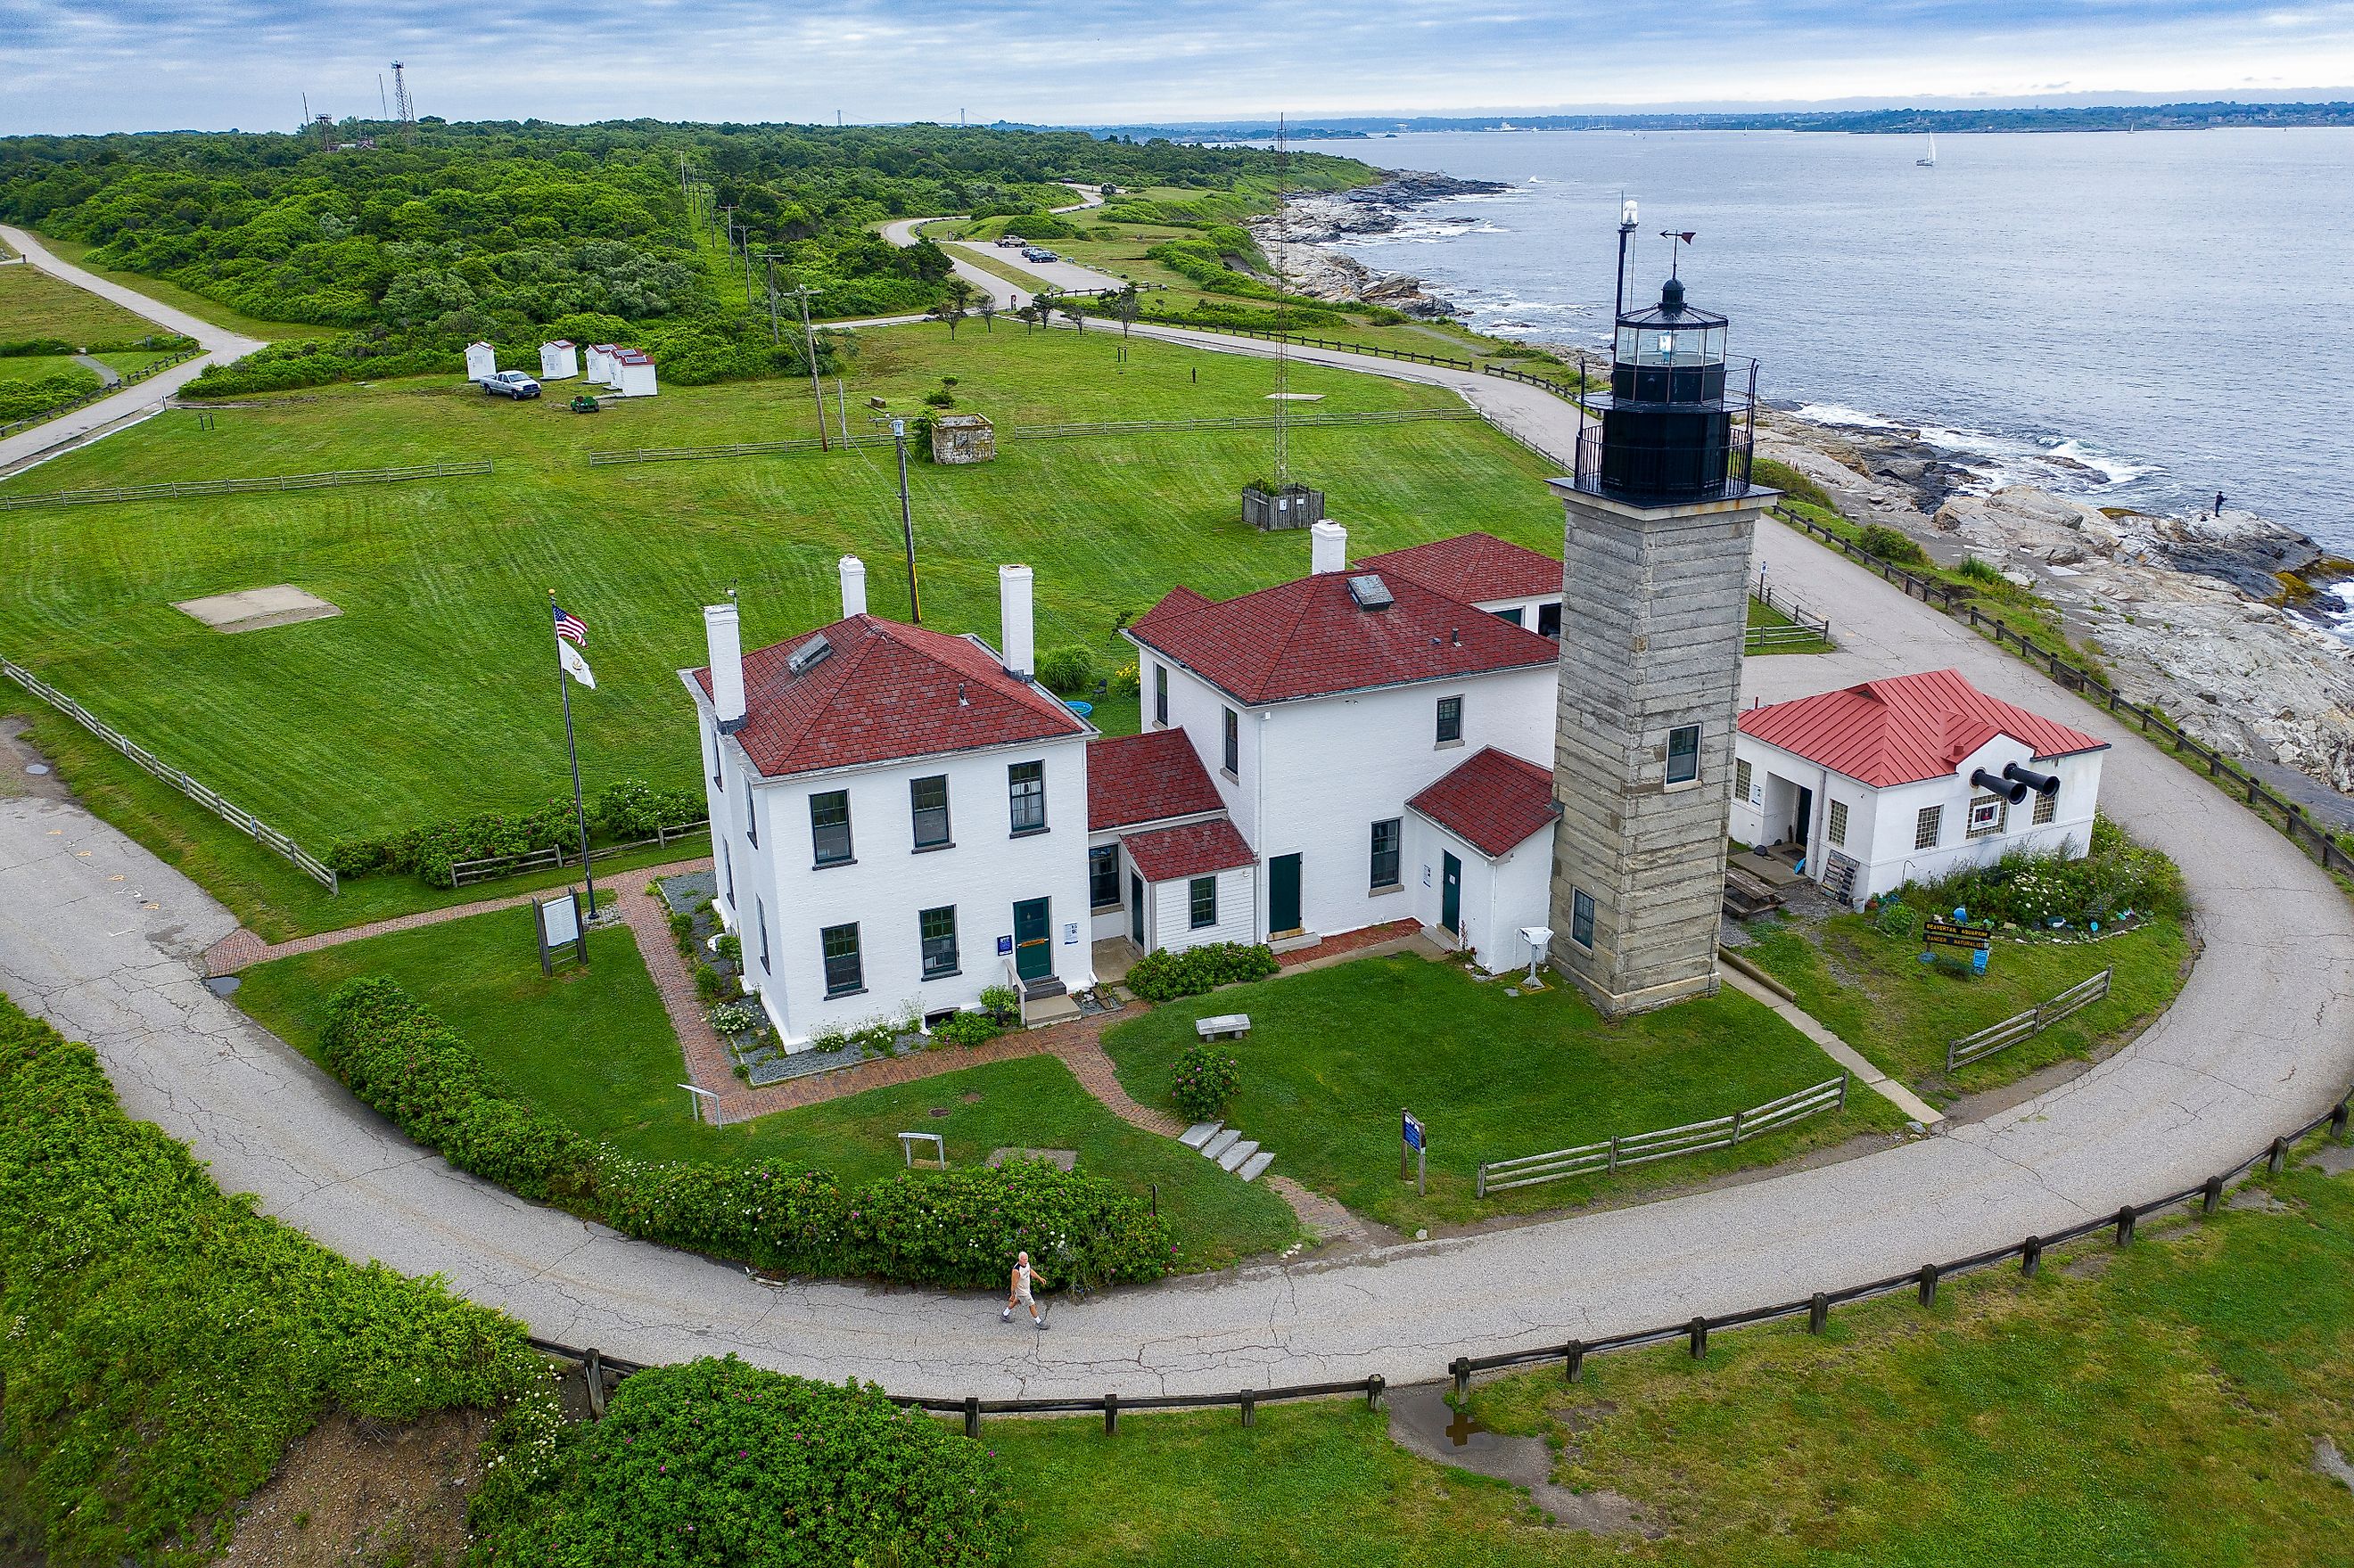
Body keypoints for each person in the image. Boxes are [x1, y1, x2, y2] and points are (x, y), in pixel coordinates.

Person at [1003, 1250, 1049, 1329]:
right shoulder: (1016, 1271)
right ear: (1019, 1259)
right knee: (1032, 1304)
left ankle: (1005, 1314)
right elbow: (1013, 1284)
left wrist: (1039, 1278)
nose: (1025, 1261)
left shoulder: (1027, 1264)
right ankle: (1038, 1322)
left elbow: (1030, 1271)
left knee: (1016, 1301)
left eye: (1026, 1259)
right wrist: (1012, 1295)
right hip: (1022, 1291)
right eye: (1023, 1260)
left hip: (1026, 1289)